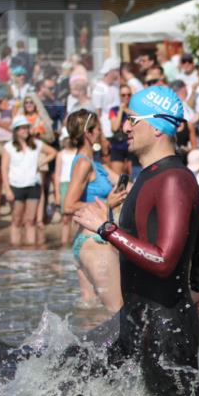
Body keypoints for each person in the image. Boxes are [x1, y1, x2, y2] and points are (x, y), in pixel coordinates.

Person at [73, 86, 199, 396]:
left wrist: (106, 229)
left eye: (132, 119)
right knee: (71, 377)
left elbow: (164, 260)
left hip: (165, 329)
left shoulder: (173, 179)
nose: (125, 128)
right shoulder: (151, 176)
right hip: (137, 321)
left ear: (157, 127)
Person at [64, 109, 124, 310]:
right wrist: (108, 203)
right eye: (98, 129)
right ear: (88, 133)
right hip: (94, 242)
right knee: (117, 311)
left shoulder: (95, 163)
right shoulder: (83, 163)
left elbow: (130, 187)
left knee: (91, 313)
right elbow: (68, 205)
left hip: (86, 242)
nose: (101, 132)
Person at [2, 116, 57, 247]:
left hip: (33, 184)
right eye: (22, 128)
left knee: (30, 220)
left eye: (27, 127)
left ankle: (30, 250)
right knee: (16, 220)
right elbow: (4, 169)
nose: (25, 130)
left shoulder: (36, 144)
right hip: (16, 185)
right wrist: (8, 190)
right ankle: (15, 248)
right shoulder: (8, 147)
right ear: (16, 130)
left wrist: (42, 162)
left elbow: (53, 152)